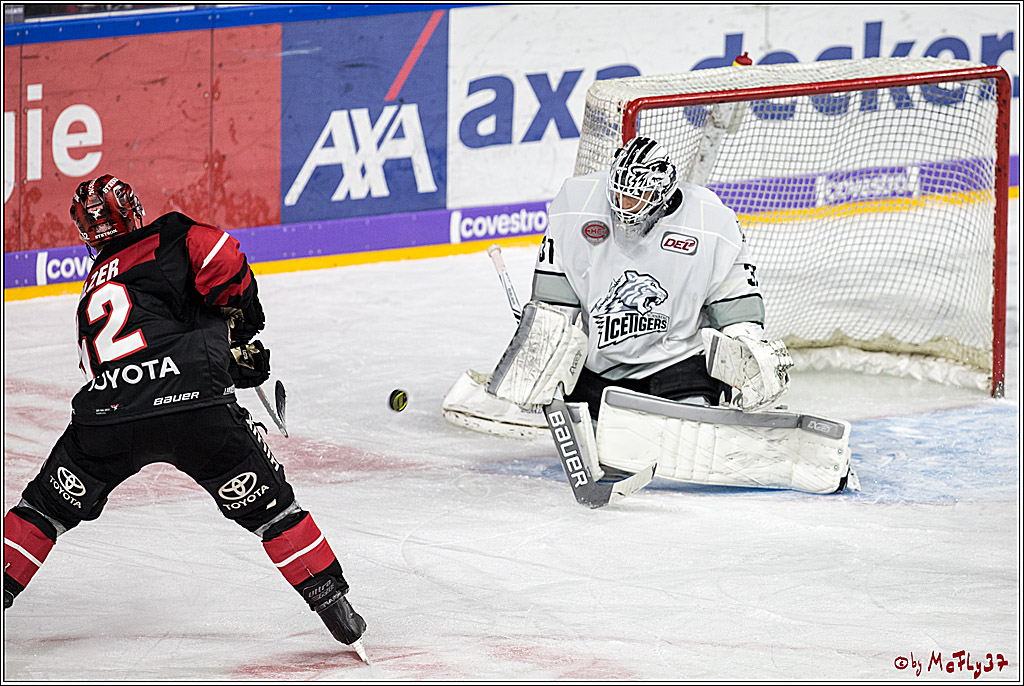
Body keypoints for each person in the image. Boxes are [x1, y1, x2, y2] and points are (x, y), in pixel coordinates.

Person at [2, 175, 367, 652]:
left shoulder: (92, 290)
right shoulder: (170, 236)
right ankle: (332, 603)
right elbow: (223, 255)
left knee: (42, 510)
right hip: (196, 413)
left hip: (107, 419)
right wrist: (240, 325)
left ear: (87, 233)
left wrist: (219, 353)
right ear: (134, 210)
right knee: (274, 510)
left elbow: (122, 357)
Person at [477, 137, 852, 497]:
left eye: (636, 196)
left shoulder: (711, 222)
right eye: (619, 192)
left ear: (661, 195)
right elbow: (554, 300)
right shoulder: (576, 205)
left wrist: (748, 348)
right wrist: (540, 351)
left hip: (677, 366)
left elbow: (735, 301)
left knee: (696, 443)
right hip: (599, 371)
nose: (624, 204)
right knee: (609, 443)